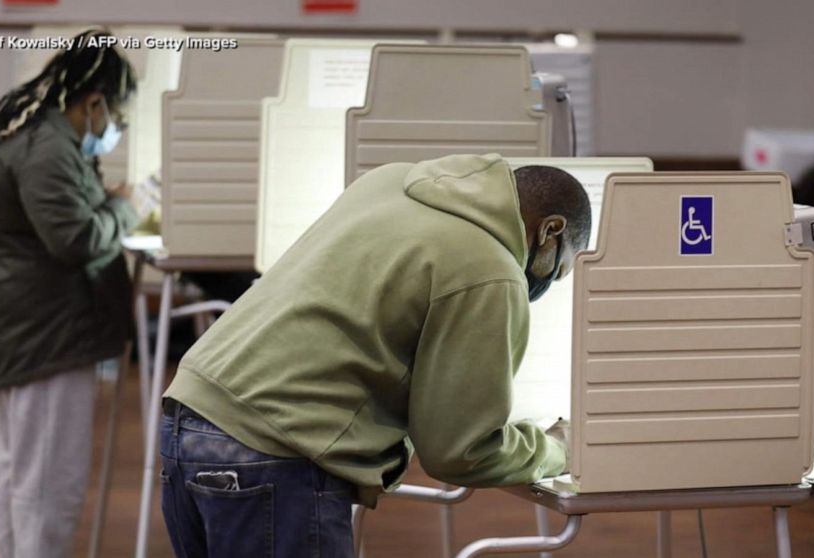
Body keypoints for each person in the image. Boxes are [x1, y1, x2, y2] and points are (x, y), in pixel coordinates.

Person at [159, 153, 591, 557]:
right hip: (277, 449)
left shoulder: (392, 182)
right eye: (558, 269)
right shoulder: (492, 273)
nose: (547, 283)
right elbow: (460, 451)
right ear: (549, 230)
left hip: (190, 412)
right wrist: (557, 450)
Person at [0, 29, 138, 558]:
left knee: (17, 476)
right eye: (116, 116)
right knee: (47, 484)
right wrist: (122, 207)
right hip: (48, 335)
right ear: (95, 100)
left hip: (22, 328)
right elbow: (76, 240)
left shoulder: (29, 134)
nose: (114, 128)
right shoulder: (48, 146)